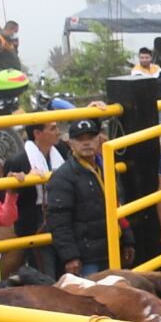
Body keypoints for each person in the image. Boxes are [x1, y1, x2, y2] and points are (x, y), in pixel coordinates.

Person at [45, 116, 114, 276]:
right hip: (86, 257)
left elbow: (118, 205)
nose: (86, 143)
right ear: (70, 143)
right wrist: (70, 256)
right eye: (80, 139)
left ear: (99, 139)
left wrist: (127, 239)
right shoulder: (62, 177)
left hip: (110, 249)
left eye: (90, 138)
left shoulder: (107, 169)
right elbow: (59, 221)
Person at [0, 118, 66, 278]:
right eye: (52, 128)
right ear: (37, 133)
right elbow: (4, 196)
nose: (58, 132)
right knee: (46, 274)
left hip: (61, 220)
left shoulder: (62, 151)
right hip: (35, 225)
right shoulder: (18, 161)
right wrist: (22, 181)